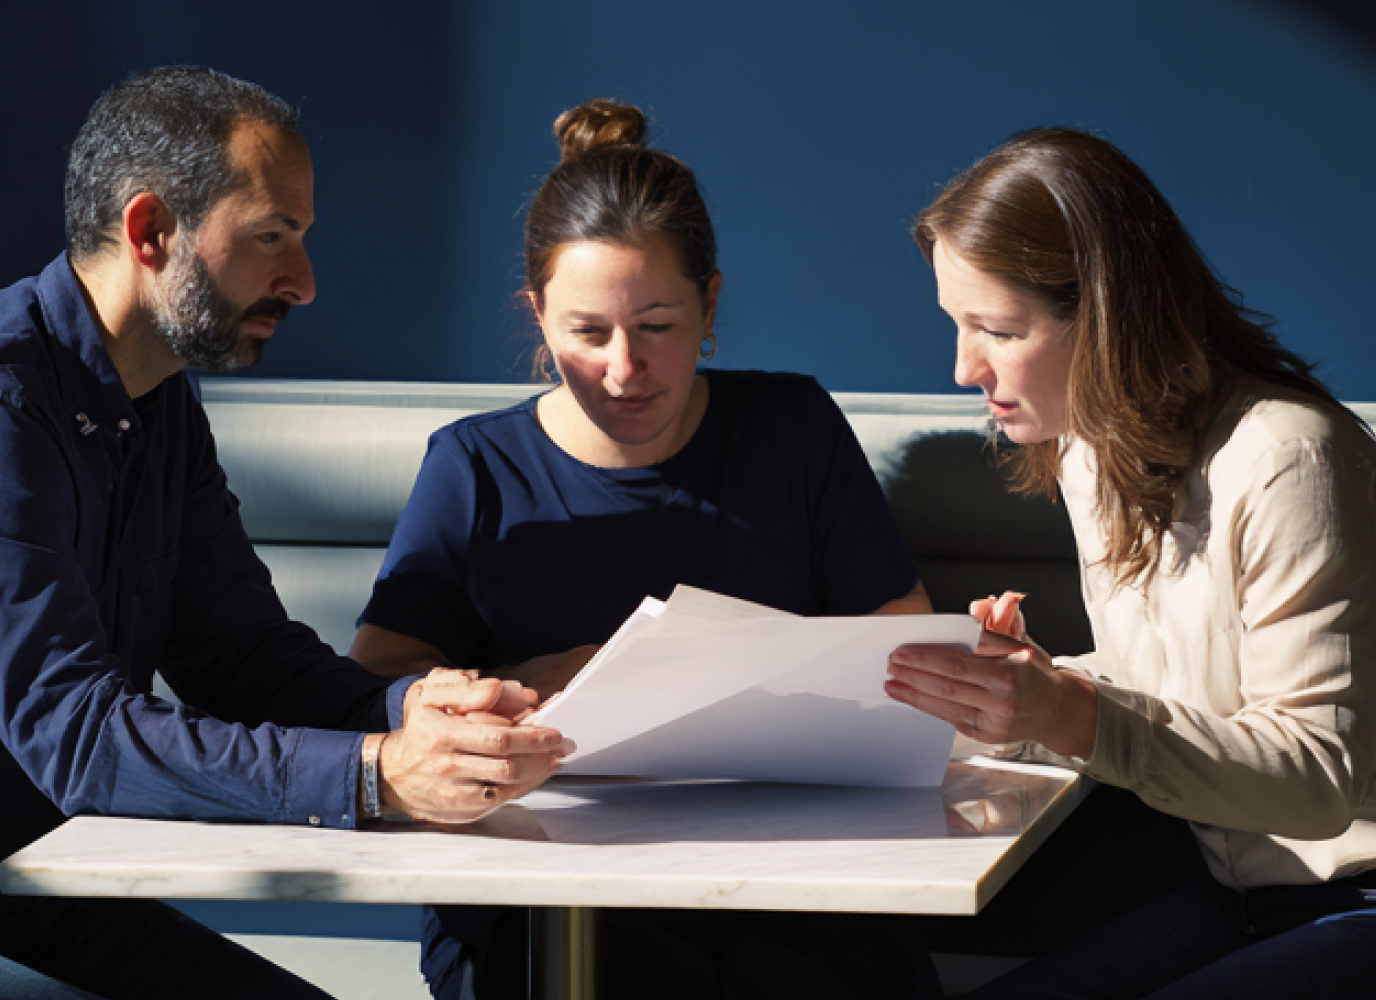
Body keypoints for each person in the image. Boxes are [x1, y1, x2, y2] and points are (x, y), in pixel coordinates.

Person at [0, 66, 573, 1000]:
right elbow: (80, 740)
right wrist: (378, 775)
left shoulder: (156, 402)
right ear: (150, 231)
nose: (303, 282)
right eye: (271, 238)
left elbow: (244, 657)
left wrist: (417, 715)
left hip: (17, 905)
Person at [882, 126, 1376, 999]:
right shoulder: (1092, 452)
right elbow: (1194, 684)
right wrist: (1026, 692)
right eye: (958, 325)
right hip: (1257, 903)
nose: (965, 367)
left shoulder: (1291, 460)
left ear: (1111, 315)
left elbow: (1314, 780)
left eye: (997, 329)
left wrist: (1072, 714)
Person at [350, 99, 936, 1000]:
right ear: (537, 317)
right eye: (587, 333)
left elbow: (904, 643)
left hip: (785, 866)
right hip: (535, 878)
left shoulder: (792, 428)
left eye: (657, 326)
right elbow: (381, 674)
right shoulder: (474, 465)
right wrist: (526, 679)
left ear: (710, 304)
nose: (625, 370)